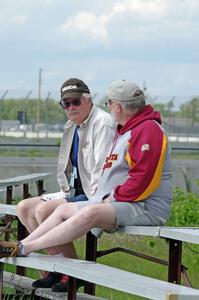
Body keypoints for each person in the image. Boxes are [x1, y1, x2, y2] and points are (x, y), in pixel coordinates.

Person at [0, 79, 173, 292]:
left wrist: (112, 196)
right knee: (63, 209)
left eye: (109, 103)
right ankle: (22, 245)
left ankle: (25, 247)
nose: (108, 108)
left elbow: (145, 179)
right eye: (66, 104)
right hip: (117, 200)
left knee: (88, 214)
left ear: (118, 106)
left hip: (145, 206)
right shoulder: (127, 129)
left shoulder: (148, 130)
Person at [15, 77, 115, 291]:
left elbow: (103, 172)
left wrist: (87, 202)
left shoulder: (103, 123)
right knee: (23, 208)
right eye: (65, 103)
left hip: (96, 194)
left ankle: (73, 274)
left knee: (44, 211)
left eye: (75, 102)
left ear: (88, 100)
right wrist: (65, 194)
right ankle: (58, 269)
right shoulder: (72, 125)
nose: (70, 107)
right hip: (75, 190)